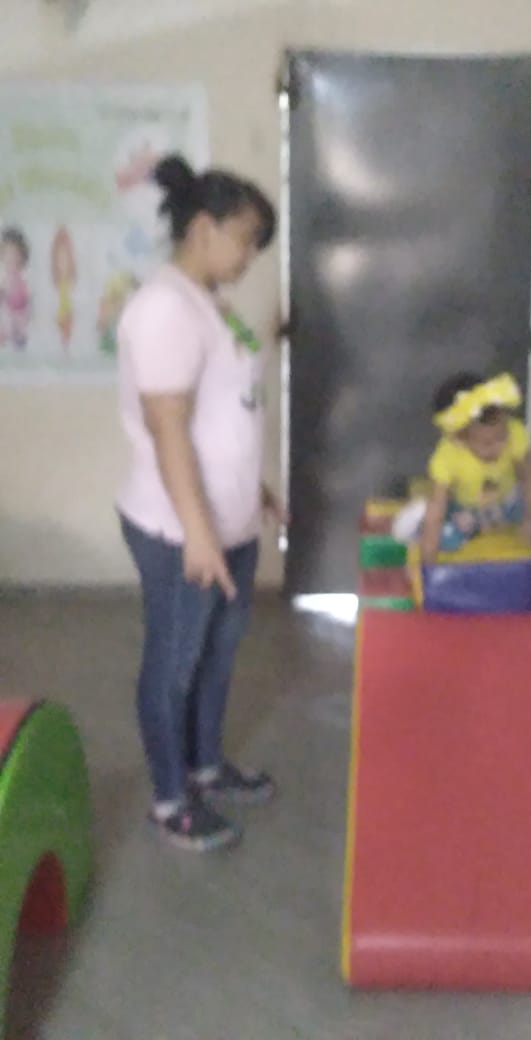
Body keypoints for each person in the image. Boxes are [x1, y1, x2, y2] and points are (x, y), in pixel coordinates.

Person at [117, 154, 283, 852]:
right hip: (180, 529)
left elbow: (226, 411)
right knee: (176, 662)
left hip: (227, 523)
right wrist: (198, 532)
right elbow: (168, 428)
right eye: (246, 239)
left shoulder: (207, 302)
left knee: (216, 656)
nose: (250, 256)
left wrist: (254, 490)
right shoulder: (164, 308)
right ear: (204, 227)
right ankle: (169, 799)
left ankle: (206, 768)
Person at [394, 371, 531, 594]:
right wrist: (427, 564)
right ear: (459, 437)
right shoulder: (447, 456)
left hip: (507, 502)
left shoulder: (514, 433)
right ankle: (416, 525)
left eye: (502, 437)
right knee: (441, 537)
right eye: (487, 443)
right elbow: (439, 505)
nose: (498, 447)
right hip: (467, 510)